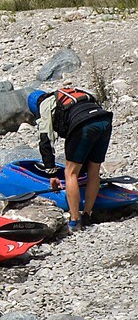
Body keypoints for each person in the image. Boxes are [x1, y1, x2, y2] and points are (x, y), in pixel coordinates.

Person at [29, 86, 115, 231]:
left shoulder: (44, 105)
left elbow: (45, 141)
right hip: (104, 120)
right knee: (94, 172)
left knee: (71, 173)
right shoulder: (70, 93)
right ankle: (88, 214)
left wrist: (52, 174)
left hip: (83, 124)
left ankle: (75, 220)